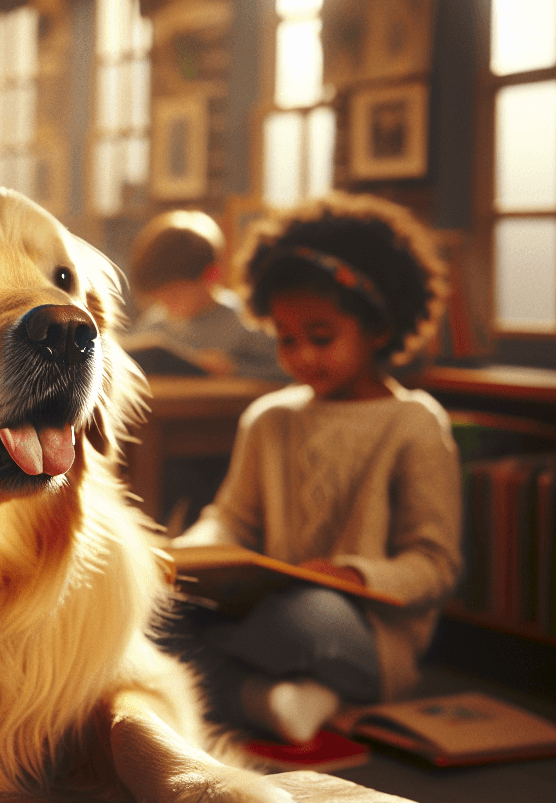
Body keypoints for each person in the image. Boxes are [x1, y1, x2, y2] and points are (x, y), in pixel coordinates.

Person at [165, 193, 460, 744]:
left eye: (322, 338)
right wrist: (190, 556)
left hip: (363, 632)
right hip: (267, 607)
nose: (302, 357)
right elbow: (232, 519)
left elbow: (434, 563)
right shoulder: (269, 418)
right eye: (286, 339)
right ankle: (277, 702)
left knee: (304, 619)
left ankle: (262, 688)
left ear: (376, 327)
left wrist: (353, 575)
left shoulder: (415, 424)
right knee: (153, 608)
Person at [120, 209, 285, 381]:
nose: (165, 303)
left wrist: (234, 370)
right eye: (158, 297)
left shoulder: (248, 321)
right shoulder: (154, 325)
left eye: (174, 294)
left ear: (211, 275)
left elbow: (287, 375)